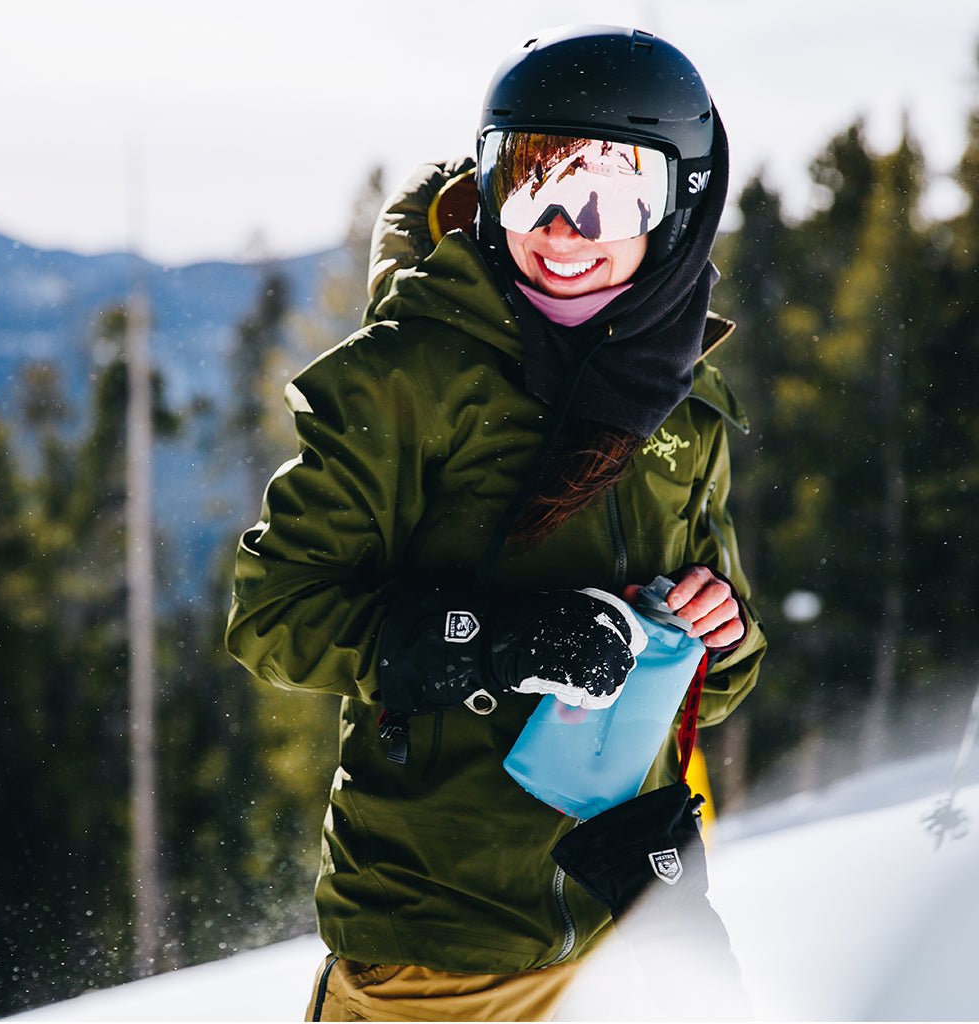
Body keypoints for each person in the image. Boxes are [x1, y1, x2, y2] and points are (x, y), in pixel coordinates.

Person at [226, 24, 766, 1023]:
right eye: (529, 186)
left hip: (635, 924)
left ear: (680, 207)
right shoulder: (405, 380)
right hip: (442, 943)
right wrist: (498, 645)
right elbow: (274, 615)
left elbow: (722, 680)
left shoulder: (684, 408)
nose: (561, 229)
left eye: (609, 196)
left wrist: (718, 628)